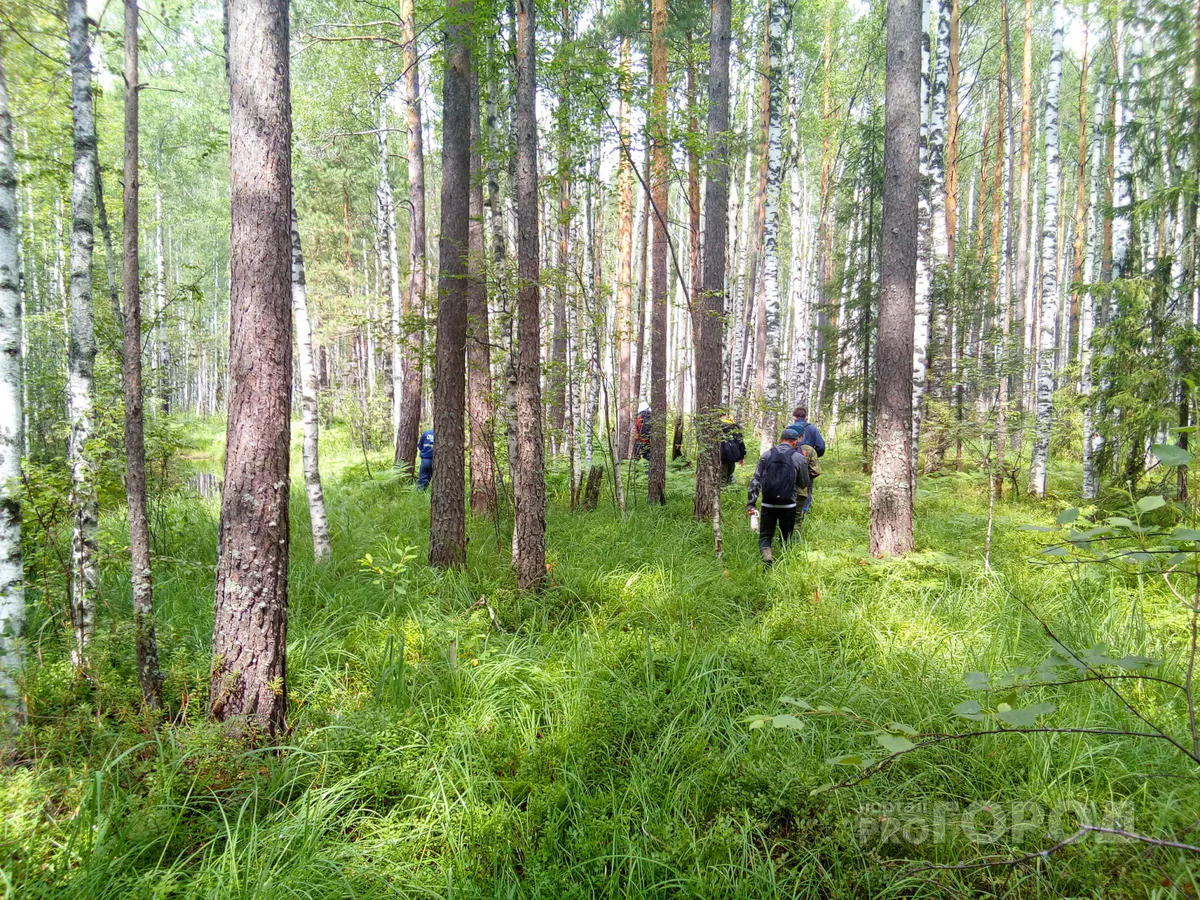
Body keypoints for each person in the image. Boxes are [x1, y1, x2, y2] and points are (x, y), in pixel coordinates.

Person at [746, 427, 812, 568]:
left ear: (780, 439)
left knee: (765, 535)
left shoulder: (766, 455)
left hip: (768, 503)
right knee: (786, 536)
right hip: (789, 504)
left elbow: (755, 480)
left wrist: (751, 503)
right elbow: (804, 483)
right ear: (795, 442)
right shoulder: (799, 458)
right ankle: (784, 564)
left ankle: (767, 558)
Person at [789, 406, 825, 514]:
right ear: (806, 417)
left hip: (791, 463)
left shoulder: (789, 429)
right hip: (807, 463)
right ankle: (803, 511)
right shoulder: (812, 429)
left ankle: (790, 509)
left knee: (790, 485)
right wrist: (813, 455)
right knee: (807, 486)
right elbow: (821, 446)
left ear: (794, 417)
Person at [719, 416, 747, 485]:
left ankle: (724, 493)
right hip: (733, 457)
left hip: (722, 458)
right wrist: (741, 457)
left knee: (722, 478)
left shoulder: (718, 429)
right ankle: (729, 491)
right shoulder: (736, 429)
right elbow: (741, 443)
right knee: (729, 475)